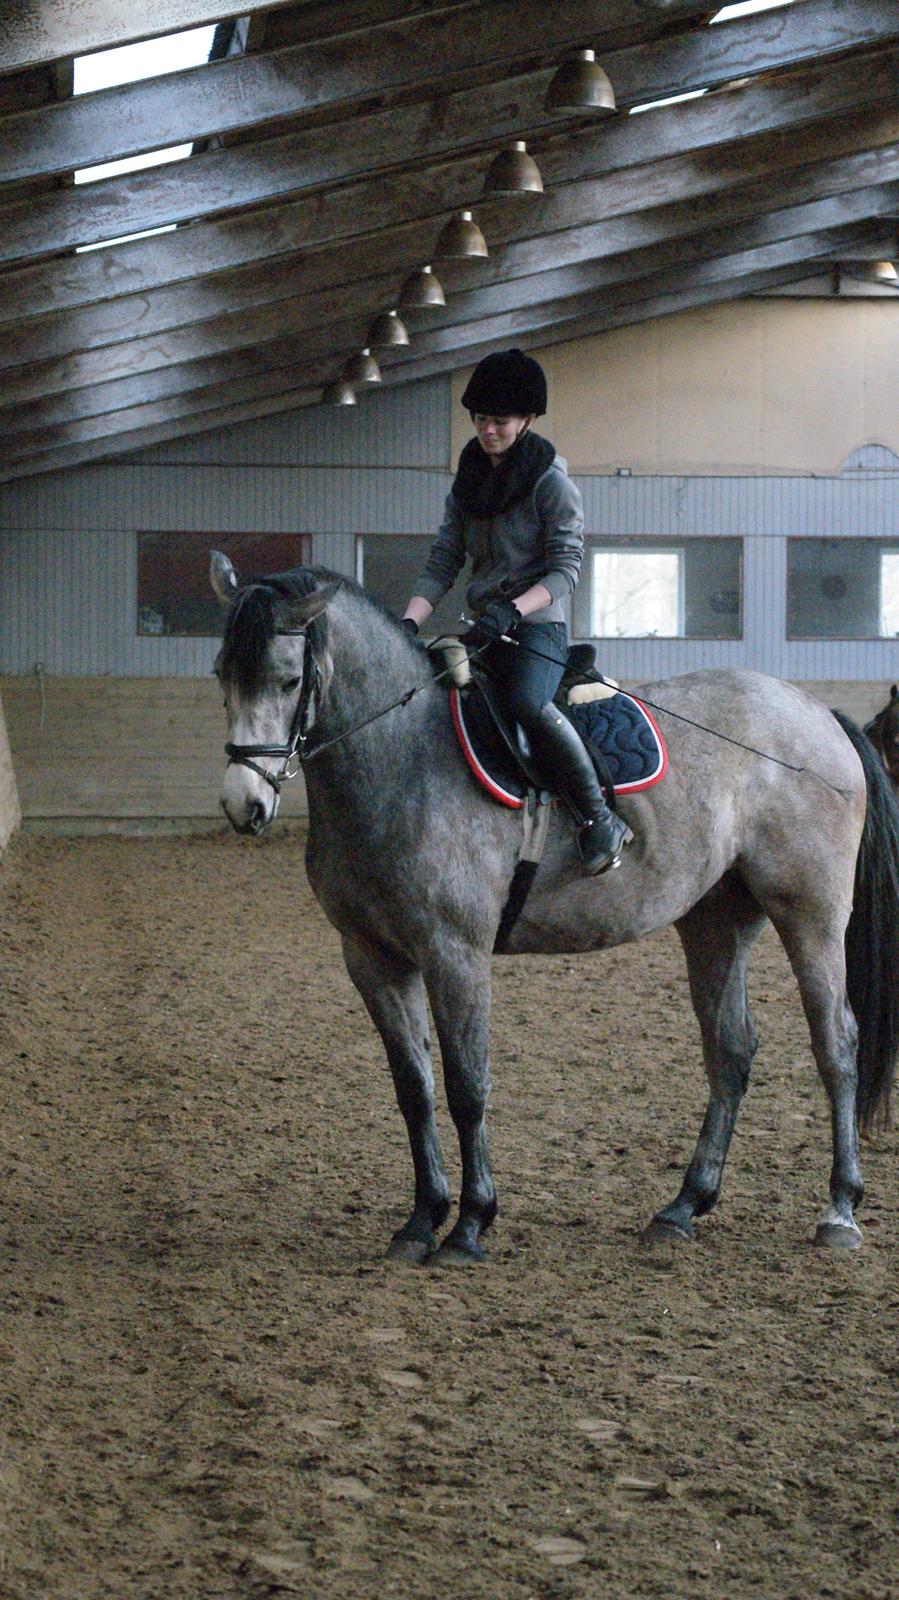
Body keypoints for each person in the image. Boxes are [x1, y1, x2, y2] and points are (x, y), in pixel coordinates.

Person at [403, 348, 632, 875]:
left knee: (528, 703)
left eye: (500, 421)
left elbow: (565, 570)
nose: (488, 430)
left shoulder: (552, 485)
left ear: (526, 420)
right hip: (483, 629)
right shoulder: (467, 484)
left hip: (534, 630)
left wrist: (511, 610)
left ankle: (599, 819)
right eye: (481, 419)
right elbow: (443, 560)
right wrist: (409, 620)